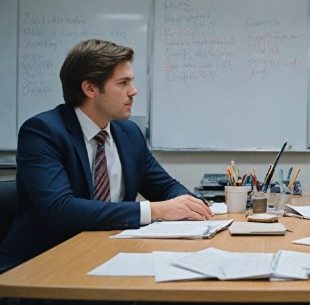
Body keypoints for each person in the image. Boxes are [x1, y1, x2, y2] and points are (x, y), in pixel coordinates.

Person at [0, 39, 213, 271]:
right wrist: (156, 210)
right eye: (123, 83)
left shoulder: (128, 133)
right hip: (42, 262)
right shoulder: (43, 132)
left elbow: (165, 187)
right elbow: (60, 210)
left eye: (131, 81)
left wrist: (189, 205)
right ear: (90, 88)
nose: (134, 91)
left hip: (109, 254)